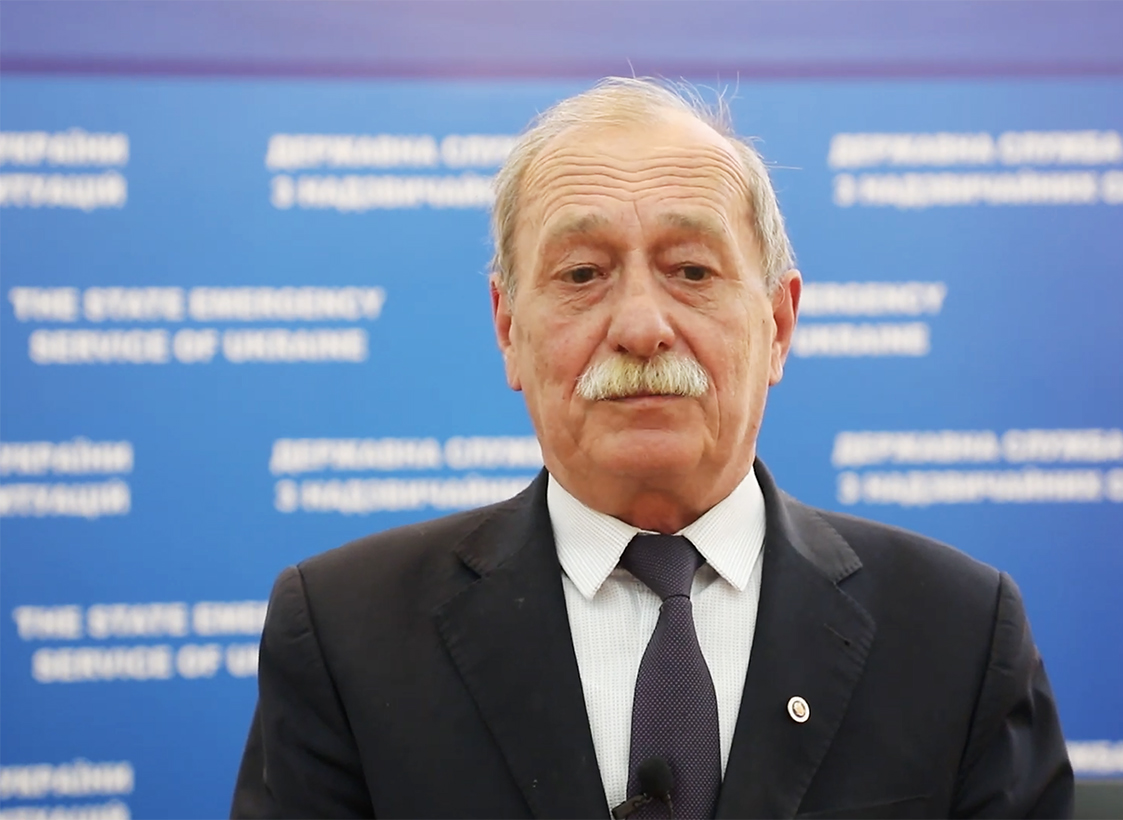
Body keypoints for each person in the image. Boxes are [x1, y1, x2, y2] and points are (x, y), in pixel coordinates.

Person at [232, 77, 1073, 819]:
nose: (640, 327)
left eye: (692, 271)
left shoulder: (958, 634)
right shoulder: (347, 635)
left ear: (778, 325)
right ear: (509, 331)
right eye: (582, 274)